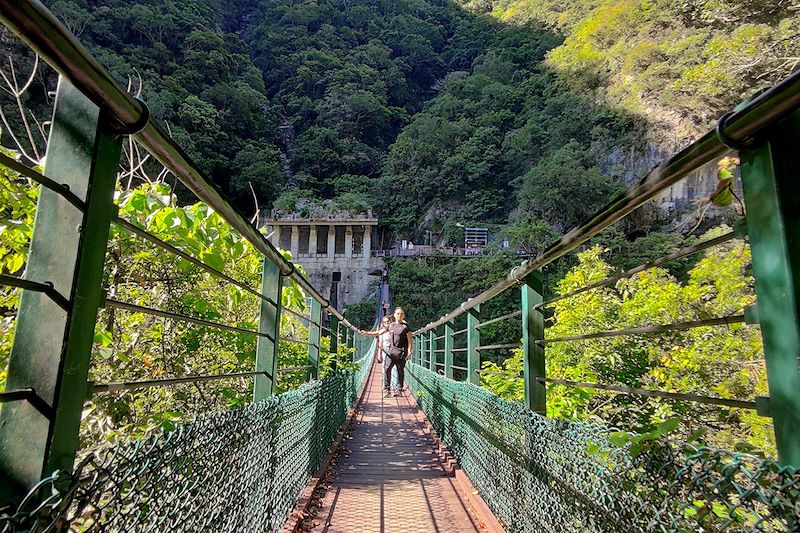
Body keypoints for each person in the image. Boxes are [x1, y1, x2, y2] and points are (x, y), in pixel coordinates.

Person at [362, 307, 413, 397]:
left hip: (401, 352)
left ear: (404, 316)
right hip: (391, 351)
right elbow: (379, 332)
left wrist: (409, 353)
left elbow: (410, 342)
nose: (399, 315)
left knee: (400, 371)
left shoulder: (406, 327)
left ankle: (398, 390)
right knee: (386, 369)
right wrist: (367, 333)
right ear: (394, 315)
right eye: (397, 314)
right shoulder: (391, 325)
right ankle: (387, 390)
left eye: (401, 314)